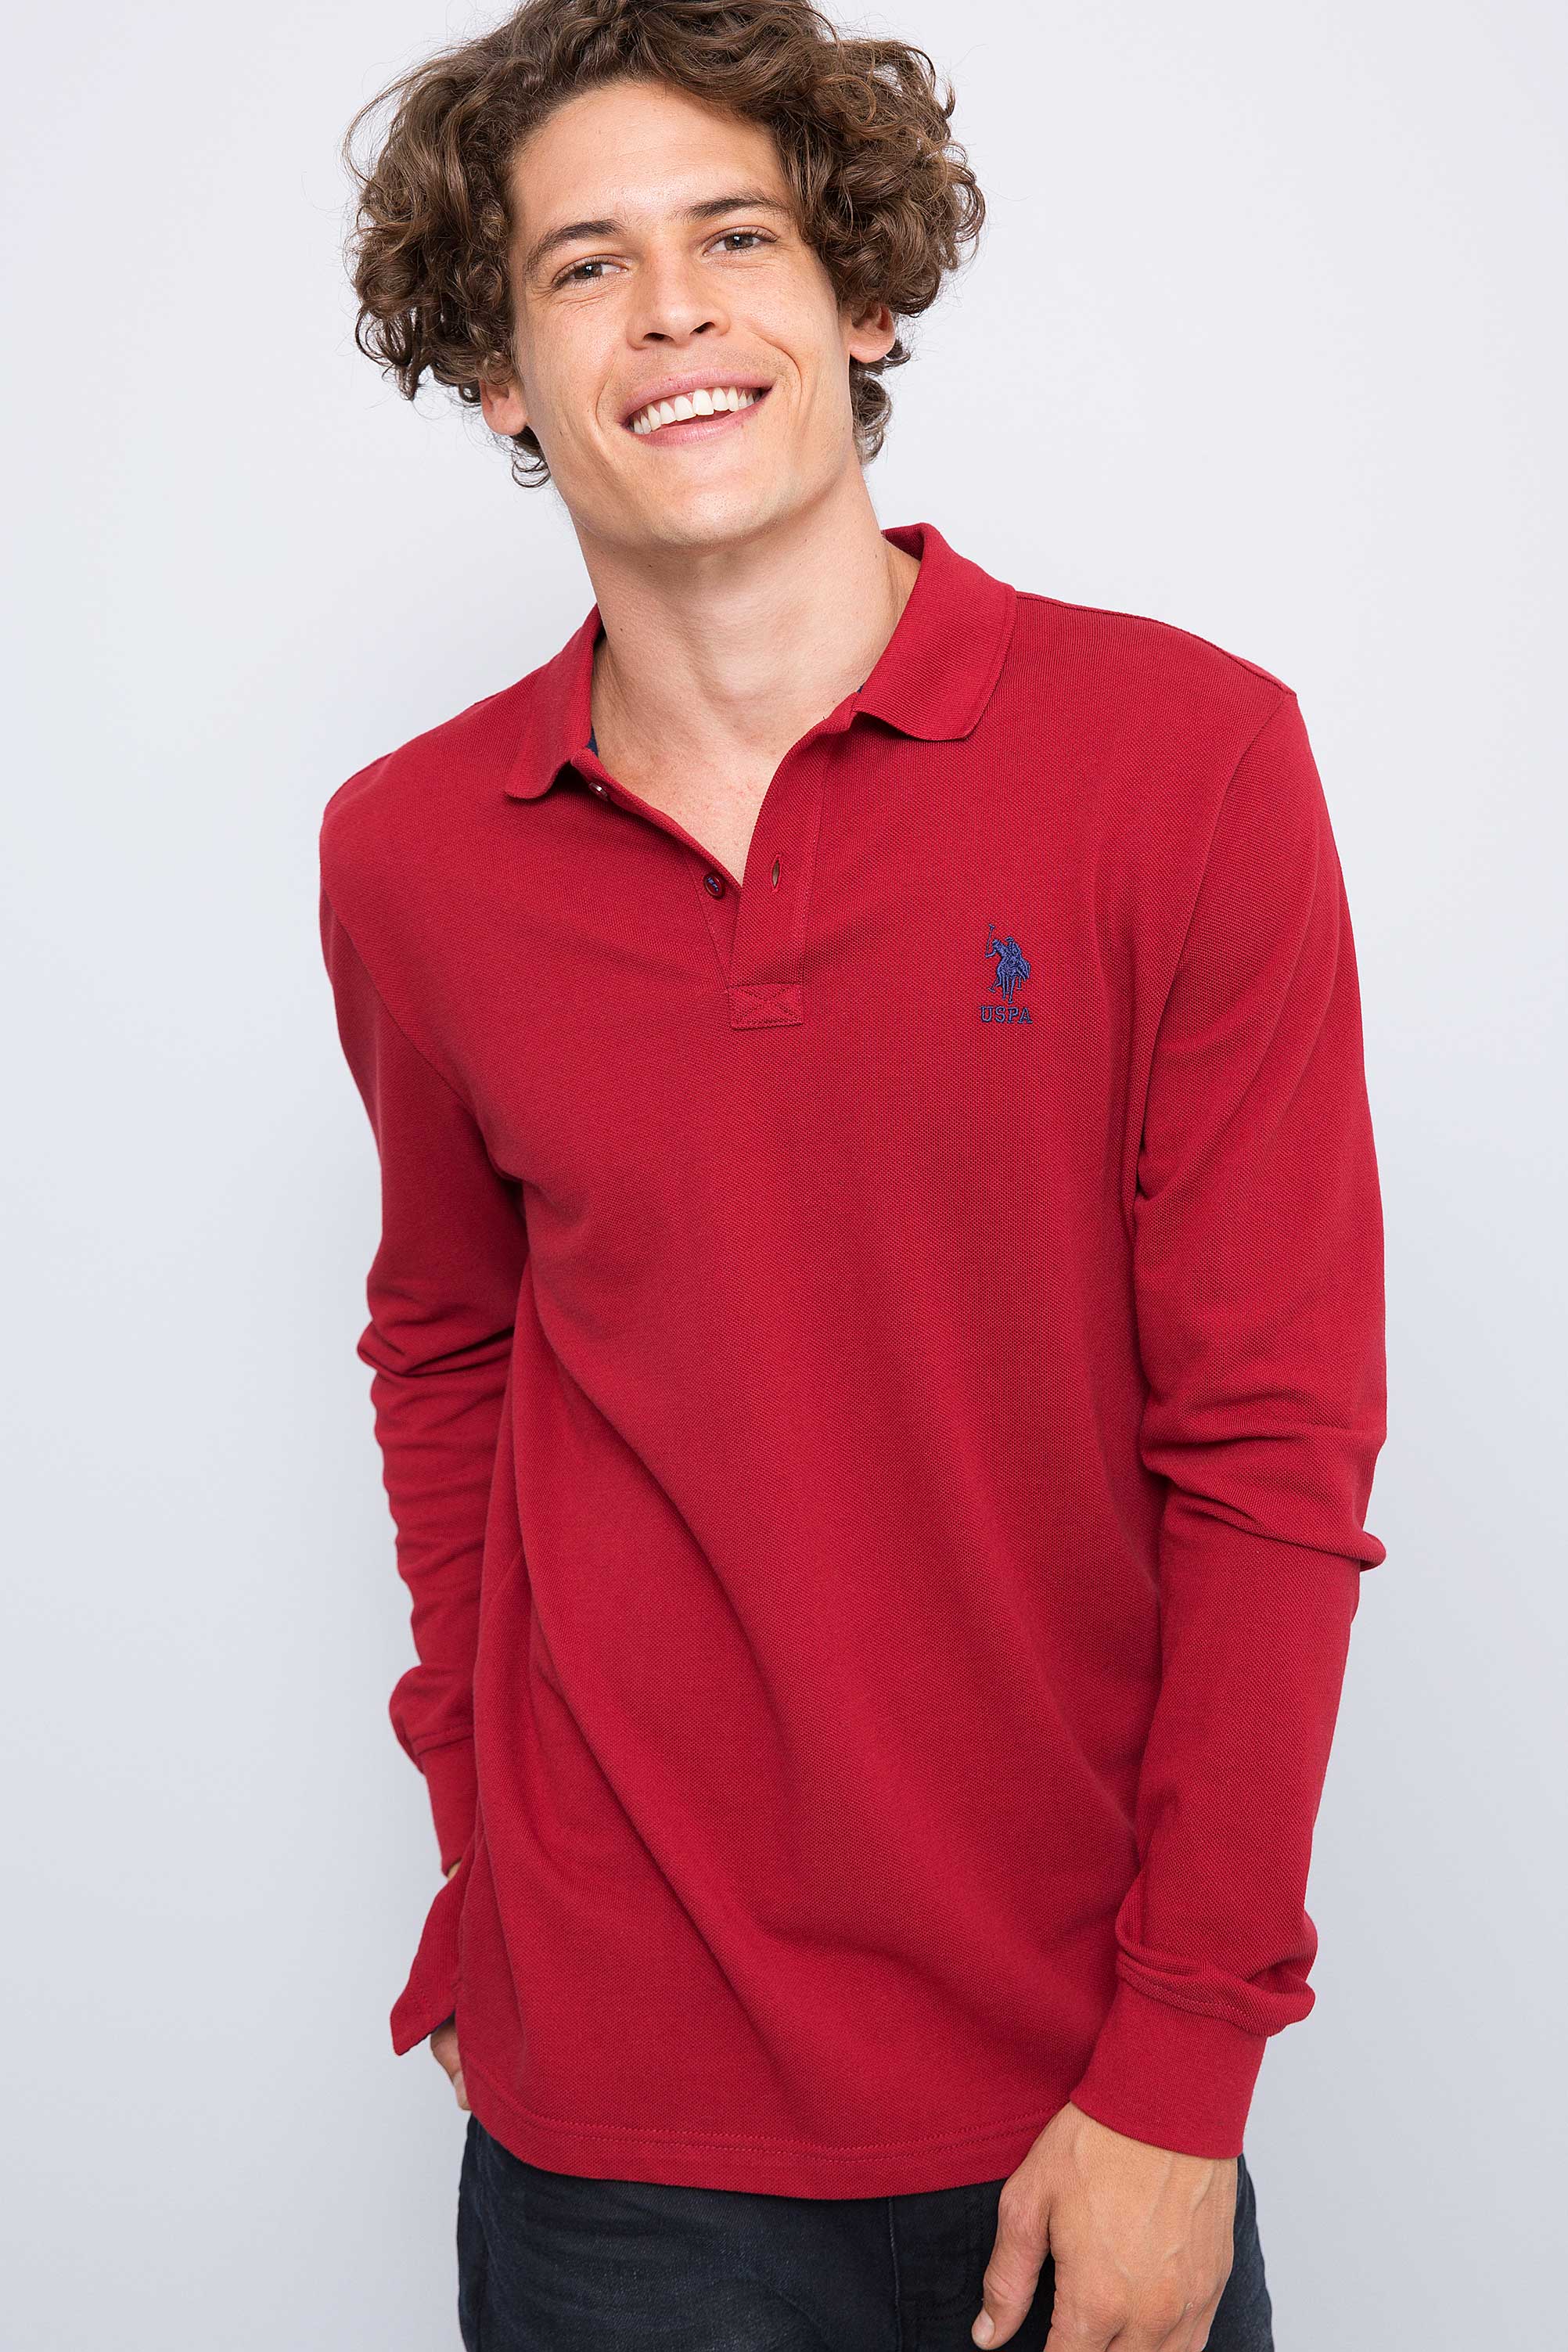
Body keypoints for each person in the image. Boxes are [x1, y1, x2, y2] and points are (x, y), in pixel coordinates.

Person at [319, 4, 1386, 2346]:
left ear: (863, 295)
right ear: (497, 375)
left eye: (737, 237)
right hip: (613, 2133)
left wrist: (1186, 2064)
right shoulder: (411, 855)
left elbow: (1272, 1449)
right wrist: (482, 1869)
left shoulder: (1187, 761)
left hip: (1083, 2086)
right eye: (583, 266)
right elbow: (450, 1359)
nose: (669, 310)